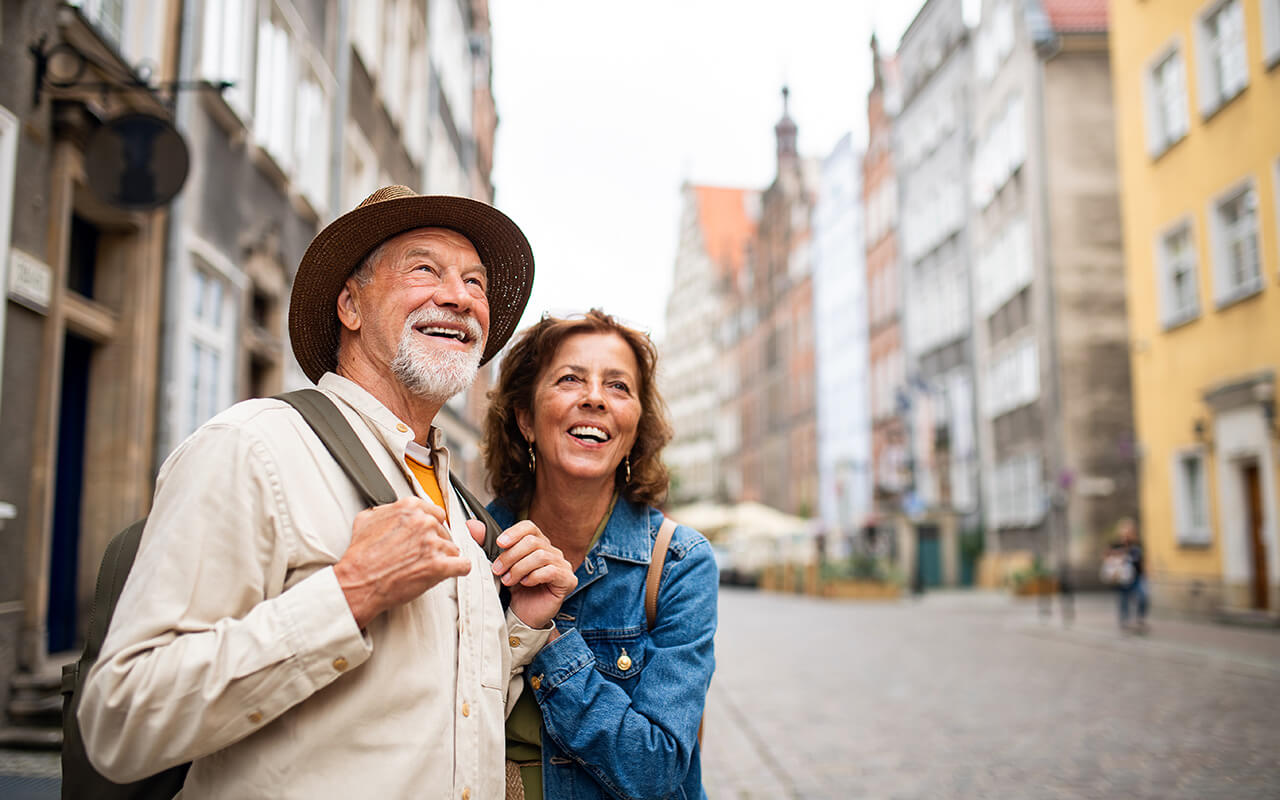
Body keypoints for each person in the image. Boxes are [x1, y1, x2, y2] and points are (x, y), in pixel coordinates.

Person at [78, 186, 578, 798]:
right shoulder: (252, 447)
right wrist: (349, 596)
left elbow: (437, 723)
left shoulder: (460, 506)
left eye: (475, 283)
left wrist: (520, 629)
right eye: (425, 269)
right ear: (350, 304)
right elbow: (121, 720)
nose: (459, 296)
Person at [482, 309, 718, 800]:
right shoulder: (476, 543)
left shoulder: (678, 563)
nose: (594, 397)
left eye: (618, 386)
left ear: (635, 428)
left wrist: (547, 638)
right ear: (525, 418)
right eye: (570, 379)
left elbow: (656, 769)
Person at [1114, 517, 1149, 633]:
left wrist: (1146, 572)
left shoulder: (1138, 544)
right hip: (1123, 578)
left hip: (1137, 576)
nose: (1127, 534)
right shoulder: (1117, 545)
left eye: (1129, 531)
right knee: (1124, 600)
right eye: (1125, 531)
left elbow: (1143, 559)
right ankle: (1125, 620)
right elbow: (1109, 559)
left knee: (1143, 597)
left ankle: (1140, 619)